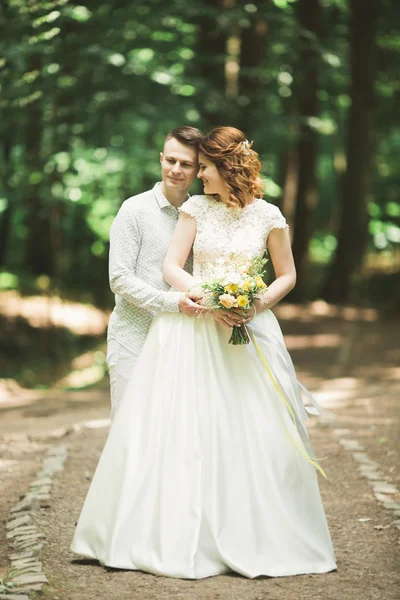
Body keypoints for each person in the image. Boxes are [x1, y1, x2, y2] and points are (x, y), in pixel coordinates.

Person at [71, 127, 336, 579]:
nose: (187, 173)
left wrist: (253, 303)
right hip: (170, 333)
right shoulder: (162, 210)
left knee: (243, 427)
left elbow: (285, 274)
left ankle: (245, 529)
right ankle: (140, 532)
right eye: (174, 162)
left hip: (238, 327)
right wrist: (210, 298)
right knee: (155, 435)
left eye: (196, 167)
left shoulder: (265, 215)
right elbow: (154, 271)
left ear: (214, 169)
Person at [107, 126, 208, 418]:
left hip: (184, 342)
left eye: (186, 164)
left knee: (173, 432)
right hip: (133, 339)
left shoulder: (202, 214)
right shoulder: (134, 210)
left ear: (198, 168)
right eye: (171, 161)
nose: (176, 170)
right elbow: (119, 278)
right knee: (129, 427)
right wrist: (172, 303)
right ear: (161, 159)